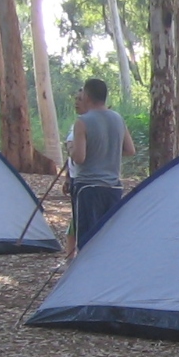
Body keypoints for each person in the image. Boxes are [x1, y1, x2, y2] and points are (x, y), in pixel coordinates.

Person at [67, 78, 135, 250]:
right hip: (113, 187)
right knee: (108, 237)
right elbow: (130, 150)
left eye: (82, 93)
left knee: (87, 240)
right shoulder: (118, 119)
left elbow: (79, 157)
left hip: (88, 188)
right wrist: (106, 150)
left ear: (88, 95)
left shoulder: (82, 122)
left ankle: (85, 274)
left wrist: (70, 148)